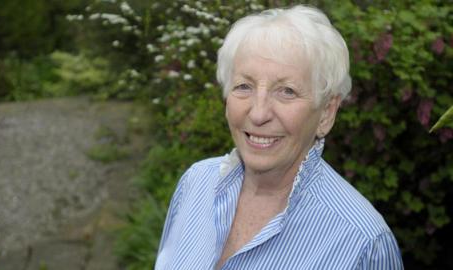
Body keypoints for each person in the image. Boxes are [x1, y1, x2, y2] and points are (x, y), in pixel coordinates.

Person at [155, 4, 403, 270]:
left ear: (326, 113)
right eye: (244, 86)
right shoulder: (196, 183)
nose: (259, 113)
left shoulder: (364, 244)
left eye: (286, 91)